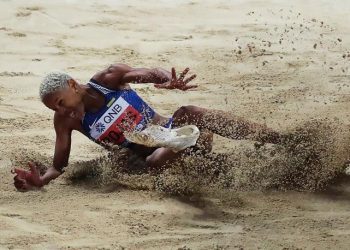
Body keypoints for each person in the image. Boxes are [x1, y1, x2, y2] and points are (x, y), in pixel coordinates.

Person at [12, 64, 282, 191]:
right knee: (153, 157)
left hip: (180, 133)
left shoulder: (107, 79)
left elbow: (147, 73)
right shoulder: (67, 120)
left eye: (60, 102)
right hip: (156, 161)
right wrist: (40, 181)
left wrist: (167, 80)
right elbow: (59, 165)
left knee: (190, 113)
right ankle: (178, 142)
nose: (61, 110)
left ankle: (280, 139)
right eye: (54, 109)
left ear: (72, 84)